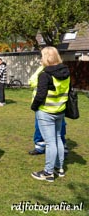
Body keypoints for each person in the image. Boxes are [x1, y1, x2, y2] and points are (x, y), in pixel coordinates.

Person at [30, 46, 70, 182]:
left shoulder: (45, 74)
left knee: (50, 142)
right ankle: (59, 168)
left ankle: (48, 172)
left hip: (46, 111)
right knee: (58, 138)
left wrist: (34, 107)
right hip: (60, 110)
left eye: (42, 56)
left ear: (46, 58)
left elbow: (40, 95)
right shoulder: (66, 71)